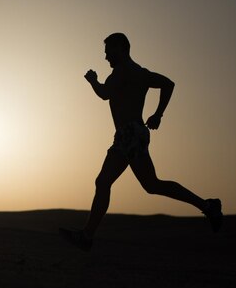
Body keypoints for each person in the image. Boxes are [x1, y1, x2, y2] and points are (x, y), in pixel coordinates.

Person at [59, 32, 222, 251]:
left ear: (121, 48)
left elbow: (105, 93)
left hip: (128, 134)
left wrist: (92, 80)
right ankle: (208, 206)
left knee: (103, 182)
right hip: (137, 133)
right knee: (152, 184)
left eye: (109, 51)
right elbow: (168, 84)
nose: (106, 57)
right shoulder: (141, 73)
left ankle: (86, 237)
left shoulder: (121, 72)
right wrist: (158, 114)